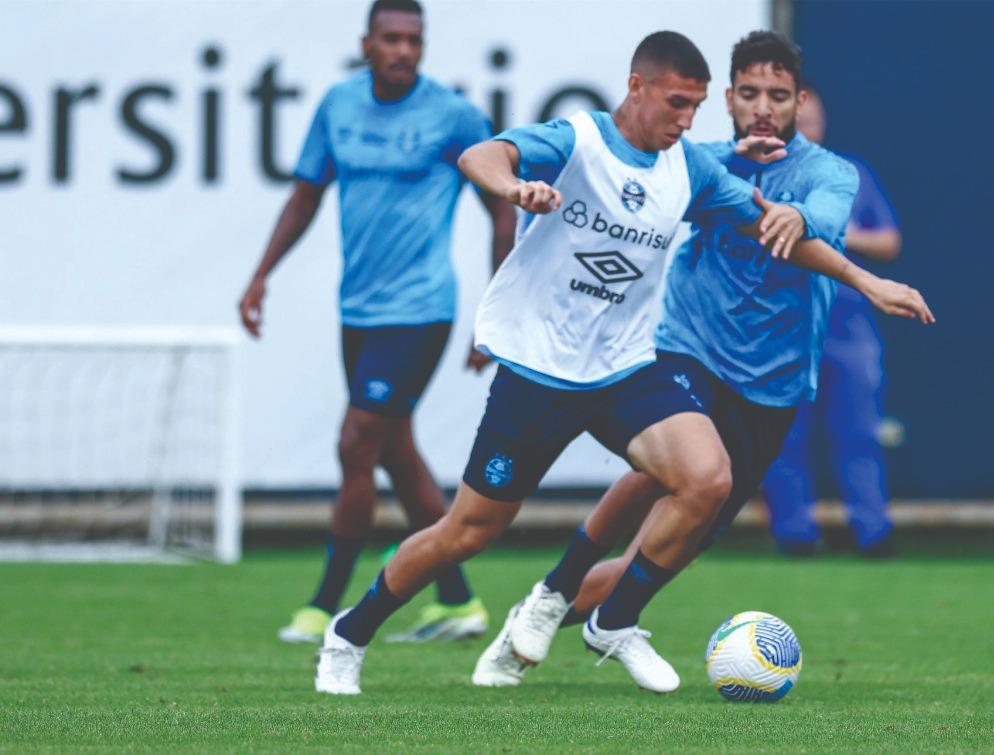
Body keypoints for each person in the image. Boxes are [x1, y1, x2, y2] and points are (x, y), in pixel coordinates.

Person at [314, 30, 932, 696]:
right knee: (467, 531)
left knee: (706, 477)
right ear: (636, 87)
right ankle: (349, 631)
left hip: (623, 367)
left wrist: (869, 283)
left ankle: (613, 620)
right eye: (676, 104)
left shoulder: (689, 167)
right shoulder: (578, 140)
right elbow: (482, 154)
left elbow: (769, 229)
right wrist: (515, 186)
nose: (686, 122)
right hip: (541, 369)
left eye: (695, 109)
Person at [237, 0, 515, 645]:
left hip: (420, 310)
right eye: (390, 39)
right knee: (394, 450)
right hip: (356, 310)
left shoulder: (452, 115)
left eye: (413, 40)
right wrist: (261, 275)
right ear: (367, 43)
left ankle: (326, 604)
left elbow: (502, 208)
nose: (403, 51)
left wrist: (493, 307)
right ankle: (457, 599)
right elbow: (306, 194)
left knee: (355, 443)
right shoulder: (338, 106)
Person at [761, 81, 904, 558]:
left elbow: (889, 241)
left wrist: (836, 234)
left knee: (860, 432)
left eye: (811, 117)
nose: (805, 125)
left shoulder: (851, 174)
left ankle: (872, 530)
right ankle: (794, 534)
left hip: (846, 326)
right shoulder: (761, 176)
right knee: (783, 435)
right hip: (783, 326)